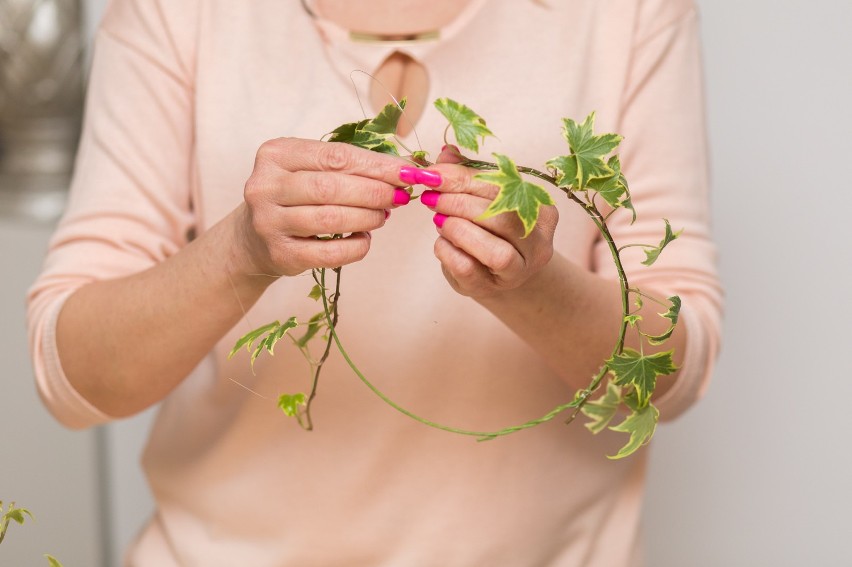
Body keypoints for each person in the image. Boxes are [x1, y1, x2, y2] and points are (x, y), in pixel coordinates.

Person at [27, 0, 723, 565]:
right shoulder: (178, 12)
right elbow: (71, 377)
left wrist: (532, 284)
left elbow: (674, 372)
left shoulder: (630, 13)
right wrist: (241, 250)